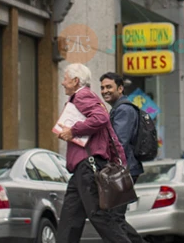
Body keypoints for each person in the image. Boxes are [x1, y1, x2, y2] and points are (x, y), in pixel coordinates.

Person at [56, 63, 133, 243]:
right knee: (69, 219)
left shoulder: (82, 96)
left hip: (87, 166)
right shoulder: (85, 97)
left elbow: (101, 118)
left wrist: (73, 130)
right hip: (82, 169)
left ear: (75, 81)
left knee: (100, 217)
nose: (62, 83)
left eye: (65, 79)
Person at [99, 72, 145, 243]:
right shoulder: (118, 109)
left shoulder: (124, 110)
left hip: (124, 171)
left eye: (109, 87)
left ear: (120, 88)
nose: (105, 91)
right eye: (102, 87)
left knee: (114, 219)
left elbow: (119, 142)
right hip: (124, 170)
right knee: (115, 218)